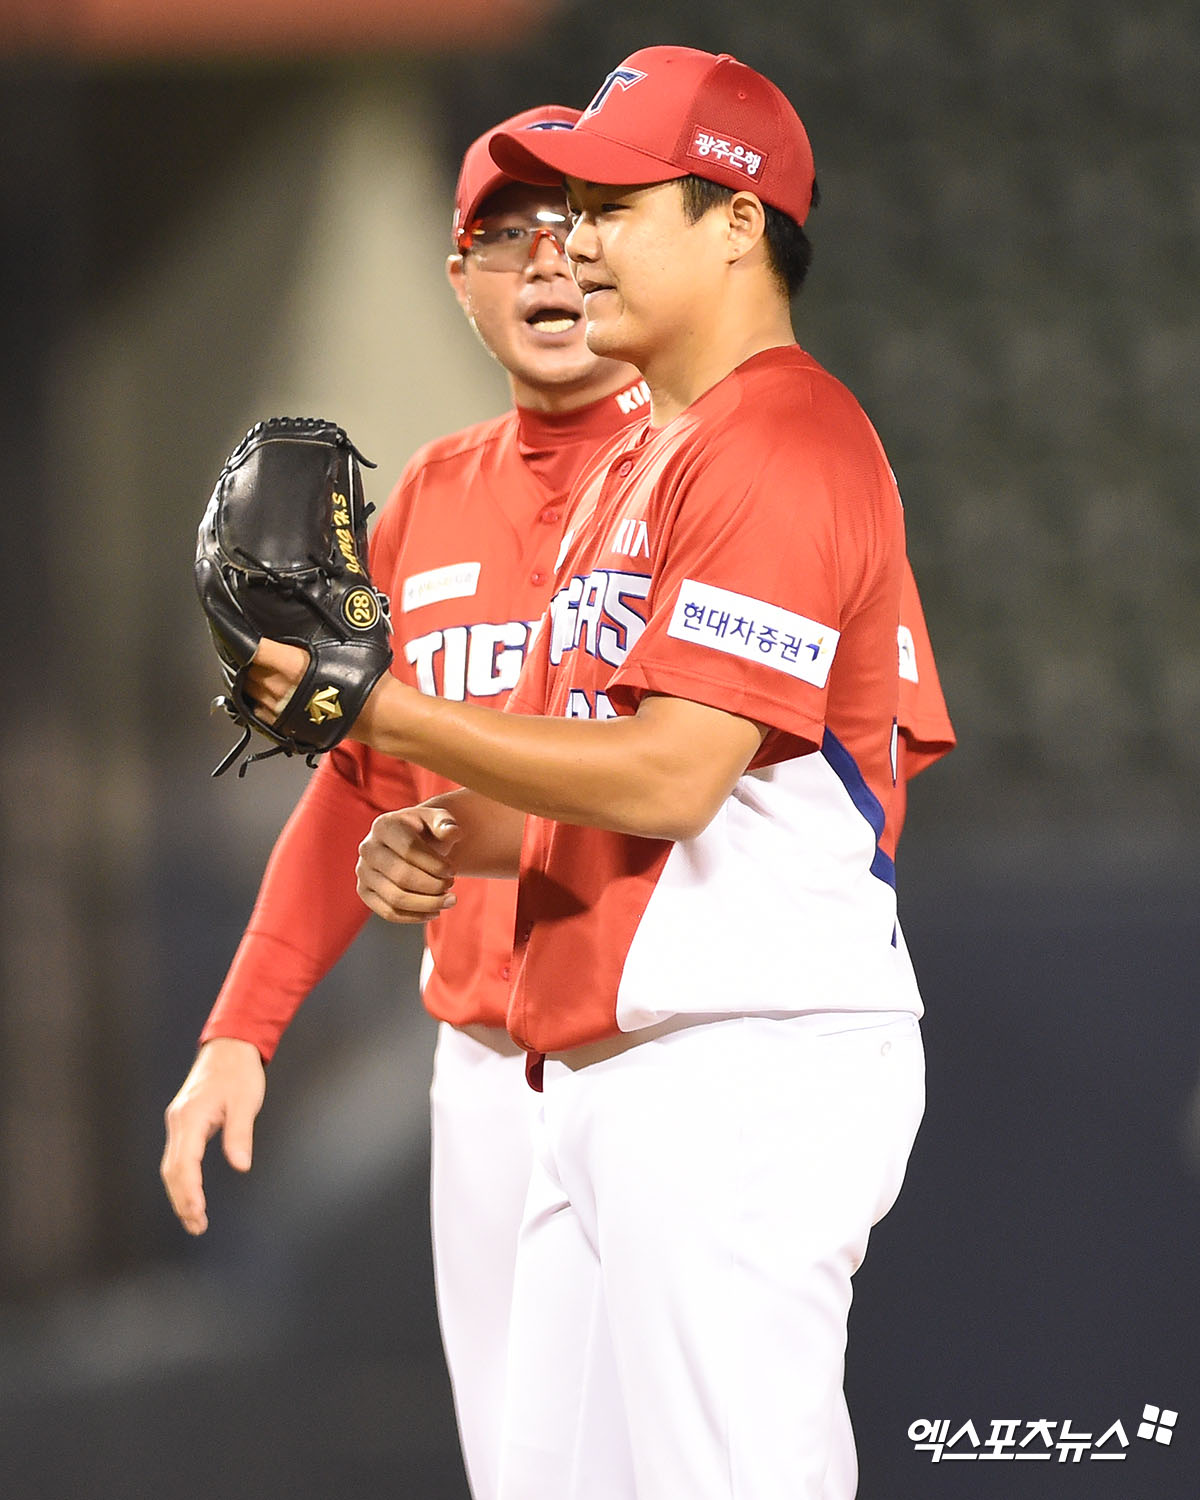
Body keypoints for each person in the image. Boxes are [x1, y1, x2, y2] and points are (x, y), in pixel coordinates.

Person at [246, 45, 953, 1500]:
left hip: (744, 1056)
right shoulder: (646, 467)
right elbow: (582, 791)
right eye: (567, 208)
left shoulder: (781, 440)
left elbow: (678, 778)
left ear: (739, 223)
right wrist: (441, 832)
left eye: (622, 203)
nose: (575, 240)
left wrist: (392, 715)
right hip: (604, 1070)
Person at [160, 105, 649, 1500]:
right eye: (507, 237)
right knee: (523, 1479)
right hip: (488, 1070)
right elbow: (353, 792)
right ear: (461, 282)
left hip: (660, 1049)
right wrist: (241, 1030)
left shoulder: (704, 479)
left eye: (578, 231)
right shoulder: (422, 505)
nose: (546, 263)